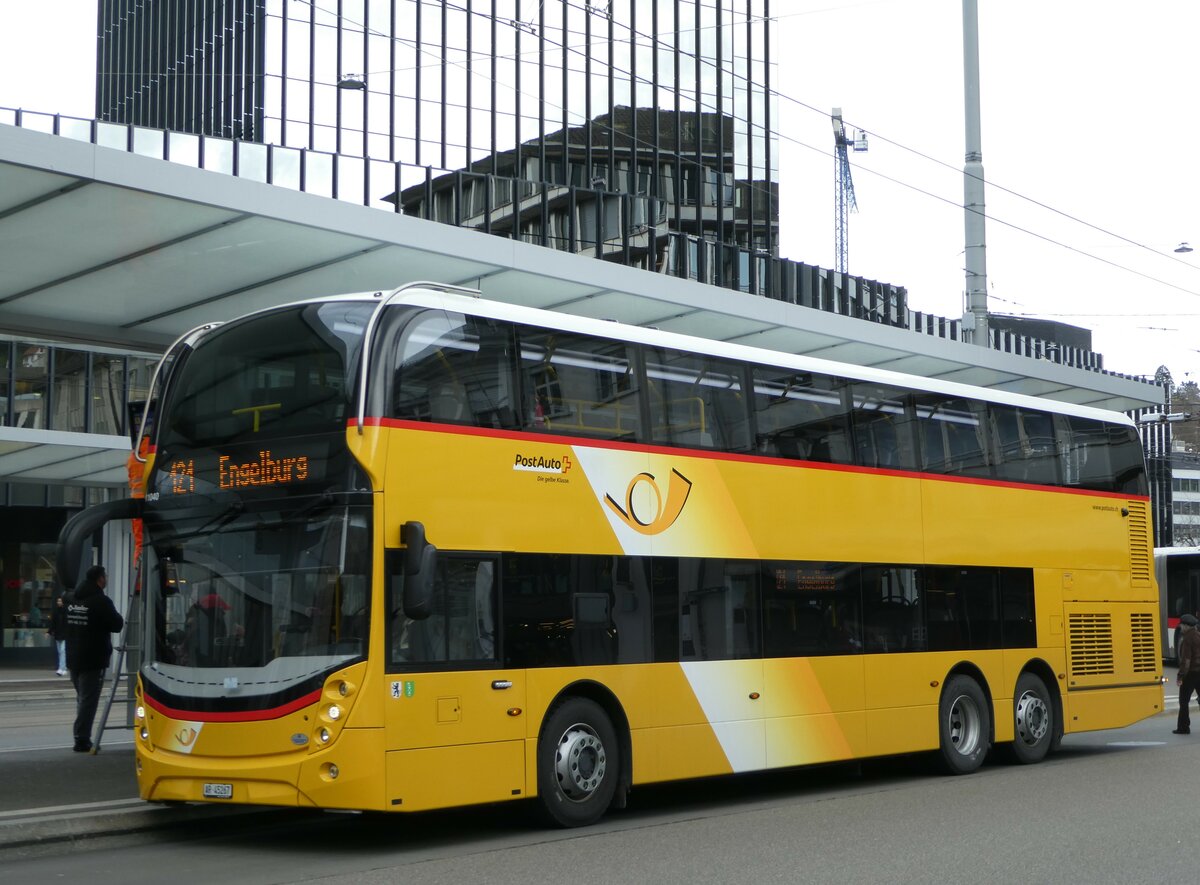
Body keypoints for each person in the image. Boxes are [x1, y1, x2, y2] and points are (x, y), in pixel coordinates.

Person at [65, 565, 124, 753]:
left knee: (82, 698)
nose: (106, 579)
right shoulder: (101, 601)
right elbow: (117, 625)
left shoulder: (73, 599)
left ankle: (80, 735)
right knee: (89, 700)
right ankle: (81, 739)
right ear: (100, 579)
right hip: (93, 657)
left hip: (73, 656)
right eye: (105, 576)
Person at [1175, 613, 1200, 735]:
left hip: (1191, 674)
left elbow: (1186, 660)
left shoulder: (1187, 639)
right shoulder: (1198, 635)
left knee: (1184, 701)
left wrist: (1180, 676)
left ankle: (1183, 727)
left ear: (1185, 626)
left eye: (1181, 624)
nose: (1180, 626)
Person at [46, 594, 68, 676]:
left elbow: (68, 624)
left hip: (65, 634)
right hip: (58, 634)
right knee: (60, 652)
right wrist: (49, 632)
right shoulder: (55, 612)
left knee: (62, 651)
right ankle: (63, 668)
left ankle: (61, 668)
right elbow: (53, 623)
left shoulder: (66, 611)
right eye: (58, 601)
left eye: (60, 601)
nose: (59, 602)